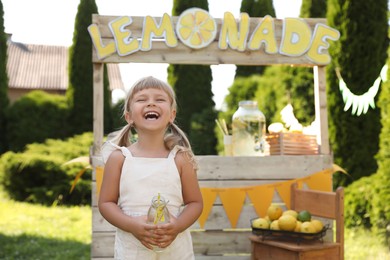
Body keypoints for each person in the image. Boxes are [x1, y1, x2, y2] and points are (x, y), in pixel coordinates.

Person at [99, 76, 203, 260]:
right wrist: (132, 225)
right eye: (142, 99)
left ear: (171, 115)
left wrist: (177, 226)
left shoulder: (181, 158)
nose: (151, 104)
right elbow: (106, 204)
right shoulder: (119, 159)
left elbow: (195, 203)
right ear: (129, 116)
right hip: (132, 251)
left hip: (175, 251)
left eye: (159, 99)